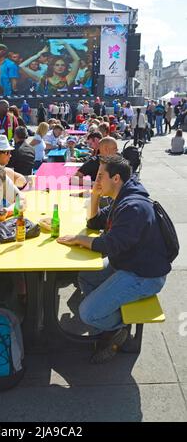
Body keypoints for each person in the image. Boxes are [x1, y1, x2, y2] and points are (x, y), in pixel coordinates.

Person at [57, 156, 171, 364]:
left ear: (116, 178)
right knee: (86, 277)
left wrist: (77, 239)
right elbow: (94, 223)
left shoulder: (132, 207)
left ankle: (117, 328)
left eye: (100, 176)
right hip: (128, 263)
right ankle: (106, 319)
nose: (96, 179)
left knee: (87, 313)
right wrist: (94, 196)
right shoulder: (123, 197)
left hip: (144, 275)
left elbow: (108, 245)